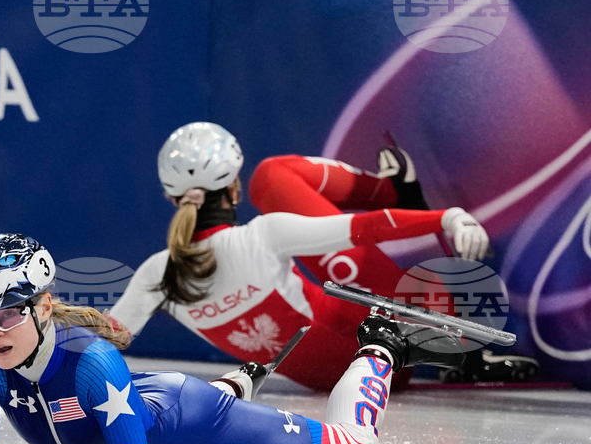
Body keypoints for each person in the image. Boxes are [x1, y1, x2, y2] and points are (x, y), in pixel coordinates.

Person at [0, 233, 464, 444]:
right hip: (146, 402)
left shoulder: (93, 361)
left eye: (5, 316)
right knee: (149, 404)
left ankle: (380, 347)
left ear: (43, 307)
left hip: (191, 422)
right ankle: (237, 382)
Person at [107, 122, 506, 391]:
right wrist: (449, 218)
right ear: (233, 189)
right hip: (391, 352)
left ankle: (460, 353)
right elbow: (369, 228)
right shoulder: (263, 235)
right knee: (274, 176)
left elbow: (103, 342)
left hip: (352, 380)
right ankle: (393, 190)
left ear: (171, 198)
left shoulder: (156, 273)